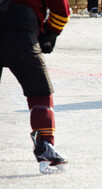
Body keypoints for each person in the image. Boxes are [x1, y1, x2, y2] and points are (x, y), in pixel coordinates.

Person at [0, 0, 70, 174]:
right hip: (20, 30)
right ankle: (45, 144)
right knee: (40, 91)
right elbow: (61, 10)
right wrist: (50, 33)